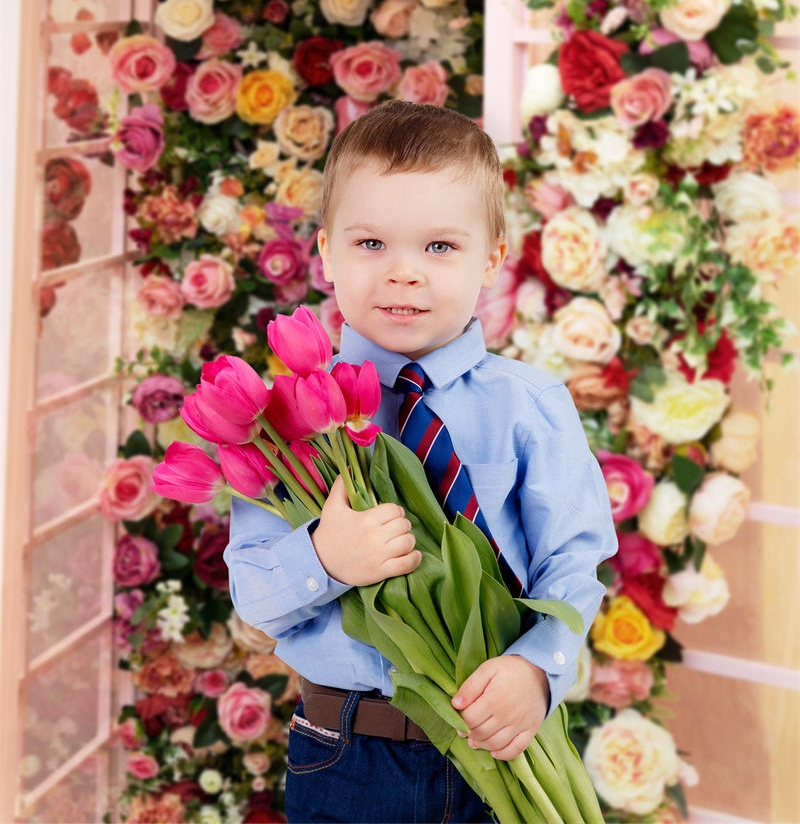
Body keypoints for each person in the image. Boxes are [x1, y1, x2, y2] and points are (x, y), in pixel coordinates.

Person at [225, 100, 617, 824]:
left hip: (502, 739)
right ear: (326, 252)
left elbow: (575, 560)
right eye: (372, 243)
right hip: (347, 752)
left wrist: (537, 668)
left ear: (492, 256)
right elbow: (252, 591)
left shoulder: (529, 404)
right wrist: (327, 555)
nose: (404, 273)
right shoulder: (282, 424)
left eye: (439, 246)